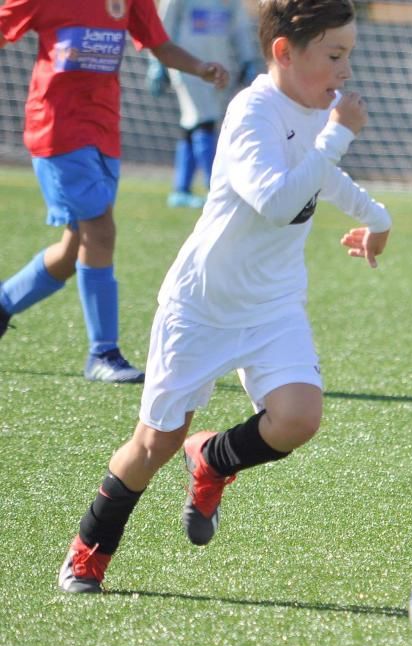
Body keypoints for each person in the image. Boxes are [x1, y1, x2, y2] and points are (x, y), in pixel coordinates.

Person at [57, 0, 391, 594]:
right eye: (334, 56)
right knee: (154, 444)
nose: (345, 72)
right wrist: (338, 136)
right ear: (284, 52)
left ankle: (212, 459)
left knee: (298, 417)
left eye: (350, 56)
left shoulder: (317, 110)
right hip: (203, 305)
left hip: (273, 303)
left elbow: (321, 176)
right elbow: (276, 199)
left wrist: (375, 215)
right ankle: (88, 551)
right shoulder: (251, 111)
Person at [0, 0, 230, 383]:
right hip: (56, 131)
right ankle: (103, 353)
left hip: (104, 132)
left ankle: (4, 302)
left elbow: (159, 44)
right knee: (100, 230)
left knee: (75, 247)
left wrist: (200, 68)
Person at [147, 0, 260, 209]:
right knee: (205, 120)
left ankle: (181, 190)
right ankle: (216, 189)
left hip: (218, 68)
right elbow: (163, 25)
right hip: (188, 69)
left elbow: (240, 27)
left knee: (193, 122)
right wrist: (157, 64)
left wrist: (247, 60)